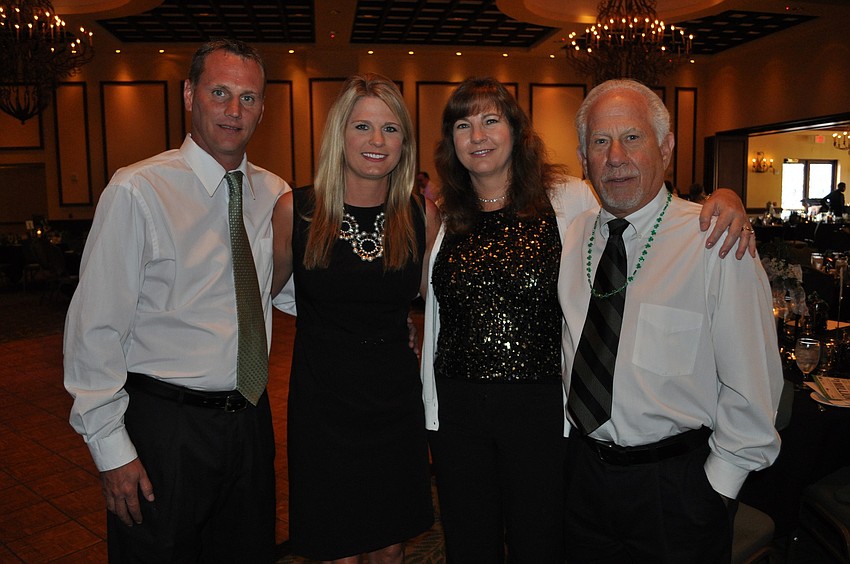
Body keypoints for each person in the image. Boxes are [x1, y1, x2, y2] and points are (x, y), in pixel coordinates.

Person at [419, 77, 755, 564]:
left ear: (516, 131)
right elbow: (430, 307)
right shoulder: (444, 215)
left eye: (492, 120)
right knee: (469, 544)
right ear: (450, 140)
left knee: (541, 545)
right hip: (458, 413)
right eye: (464, 124)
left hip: (540, 414)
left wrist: (726, 197)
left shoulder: (569, 200)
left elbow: (641, 205)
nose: (479, 135)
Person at [63, 40, 286, 561]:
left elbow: (292, 291)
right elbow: (93, 328)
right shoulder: (138, 189)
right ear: (190, 94)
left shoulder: (273, 194)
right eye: (220, 93)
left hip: (250, 420)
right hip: (168, 427)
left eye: (249, 98)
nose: (235, 111)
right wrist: (111, 450)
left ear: (262, 108)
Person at [559, 79, 782, 563]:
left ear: (666, 145)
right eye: (600, 141)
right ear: (583, 155)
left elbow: (754, 383)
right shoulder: (575, 233)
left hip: (676, 487)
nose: (615, 156)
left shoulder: (715, 240)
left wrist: (716, 491)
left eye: (632, 137)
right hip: (581, 477)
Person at [270, 73, 436, 563]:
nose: (376, 141)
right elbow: (262, 296)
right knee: (336, 549)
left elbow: (431, 299)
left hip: (394, 404)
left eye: (390, 129)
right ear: (339, 135)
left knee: (390, 548)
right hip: (323, 405)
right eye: (362, 126)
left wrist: (417, 327)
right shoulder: (296, 210)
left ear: (405, 142)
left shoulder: (423, 214)